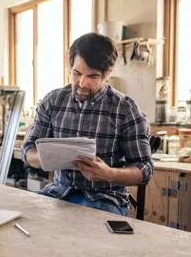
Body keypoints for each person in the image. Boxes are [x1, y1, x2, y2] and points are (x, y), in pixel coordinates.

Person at [21, 32, 153, 216]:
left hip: (106, 198)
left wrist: (108, 173)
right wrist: (44, 158)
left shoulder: (126, 109)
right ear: (69, 65)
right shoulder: (52, 101)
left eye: (92, 76)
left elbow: (144, 169)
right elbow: (27, 151)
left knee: (87, 238)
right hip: (59, 192)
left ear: (108, 73)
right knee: (25, 223)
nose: (82, 83)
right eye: (77, 73)